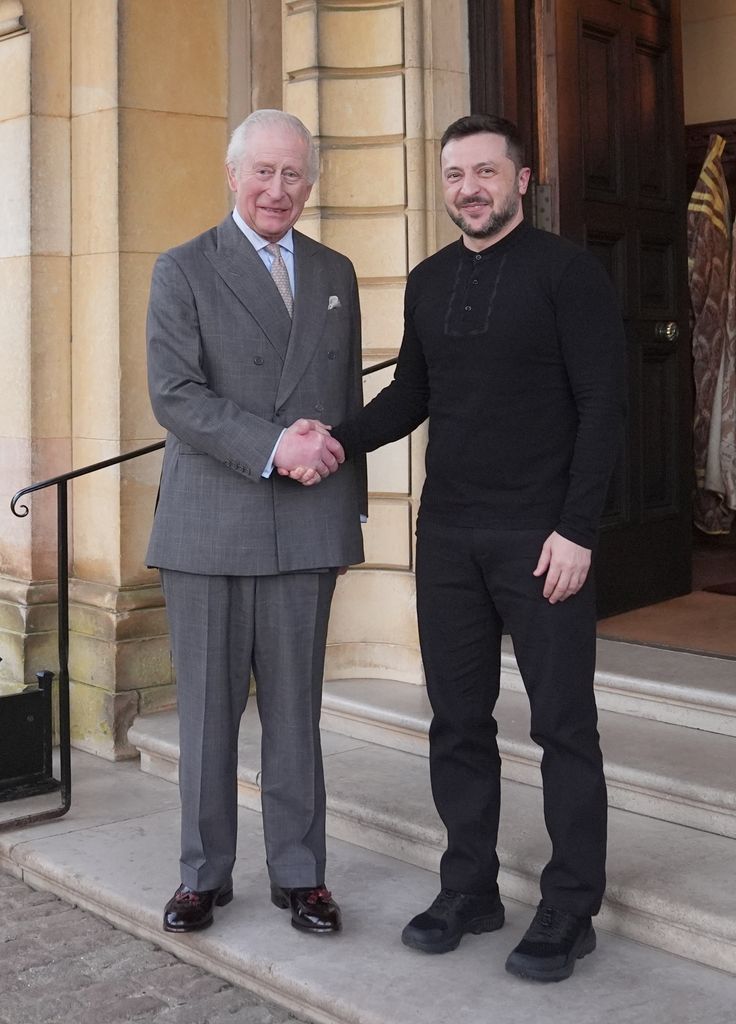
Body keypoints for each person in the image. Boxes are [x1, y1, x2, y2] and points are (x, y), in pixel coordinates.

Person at [285, 113, 626, 981]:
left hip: (542, 537)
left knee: (564, 727)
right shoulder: (431, 280)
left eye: (484, 172)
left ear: (521, 179)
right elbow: (413, 391)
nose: (467, 189)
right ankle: (470, 887)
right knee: (457, 722)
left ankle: (570, 905)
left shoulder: (568, 274)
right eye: (452, 176)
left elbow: (605, 408)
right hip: (449, 536)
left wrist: (579, 529)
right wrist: (337, 439)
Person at [146, 109, 366, 937]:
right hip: (208, 523)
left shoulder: (336, 268)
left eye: (294, 175)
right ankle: (203, 877)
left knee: (296, 712)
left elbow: (343, 398)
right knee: (205, 714)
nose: (279, 189)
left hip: (308, 521)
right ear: (232, 175)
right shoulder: (182, 268)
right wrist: (277, 444)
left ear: (310, 183)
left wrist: (340, 485)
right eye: (264, 172)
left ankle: (301, 875)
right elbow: (175, 395)